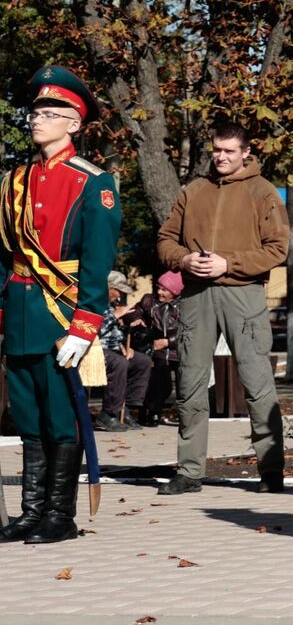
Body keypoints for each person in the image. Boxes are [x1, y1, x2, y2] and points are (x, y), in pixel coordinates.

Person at [0, 66, 120, 544]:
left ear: (75, 123)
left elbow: (96, 261)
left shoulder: (94, 182)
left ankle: (60, 515)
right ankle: (32, 512)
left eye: (51, 112)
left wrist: (84, 324)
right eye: (35, 111)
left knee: (60, 416)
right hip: (21, 311)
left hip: (60, 313)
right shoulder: (13, 181)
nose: (38, 119)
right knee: (28, 417)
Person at [155, 119, 290, 495]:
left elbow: (278, 248)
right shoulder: (194, 190)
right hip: (197, 295)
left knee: (257, 382)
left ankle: (271, 470)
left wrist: (227, 263)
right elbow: (165, 239)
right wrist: (184, 261)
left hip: (243, 293)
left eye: (230, 151)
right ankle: (189, 471)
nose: (221, 157)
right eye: (217, 150)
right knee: (190, 382)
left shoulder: (262, 192)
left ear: (246, 152)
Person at [126, 269, 186, 425]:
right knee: (159, 384)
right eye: (158, 288)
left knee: (185, 384)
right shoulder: (149, 301)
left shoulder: (185, 305)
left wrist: (169, 342)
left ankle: (184, 415)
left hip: (179, 349)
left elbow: (191, 329)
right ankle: (153, 413)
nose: (160, 292)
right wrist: (137, 318)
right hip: (157, 351)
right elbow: (134, 310)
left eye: (164, 290)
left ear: (175, 291)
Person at [97, 270, 153, 432]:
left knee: (142, 361)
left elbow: (115, 333)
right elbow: (92, 330)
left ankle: (125, 407)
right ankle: (108, 413)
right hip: (94, 349)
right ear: (109, 287)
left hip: (112, 349)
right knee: (119, 363)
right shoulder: (93, 303)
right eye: (119, 291)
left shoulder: (113, 305)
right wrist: (114, 316)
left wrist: (124, 346)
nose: (120, 295)